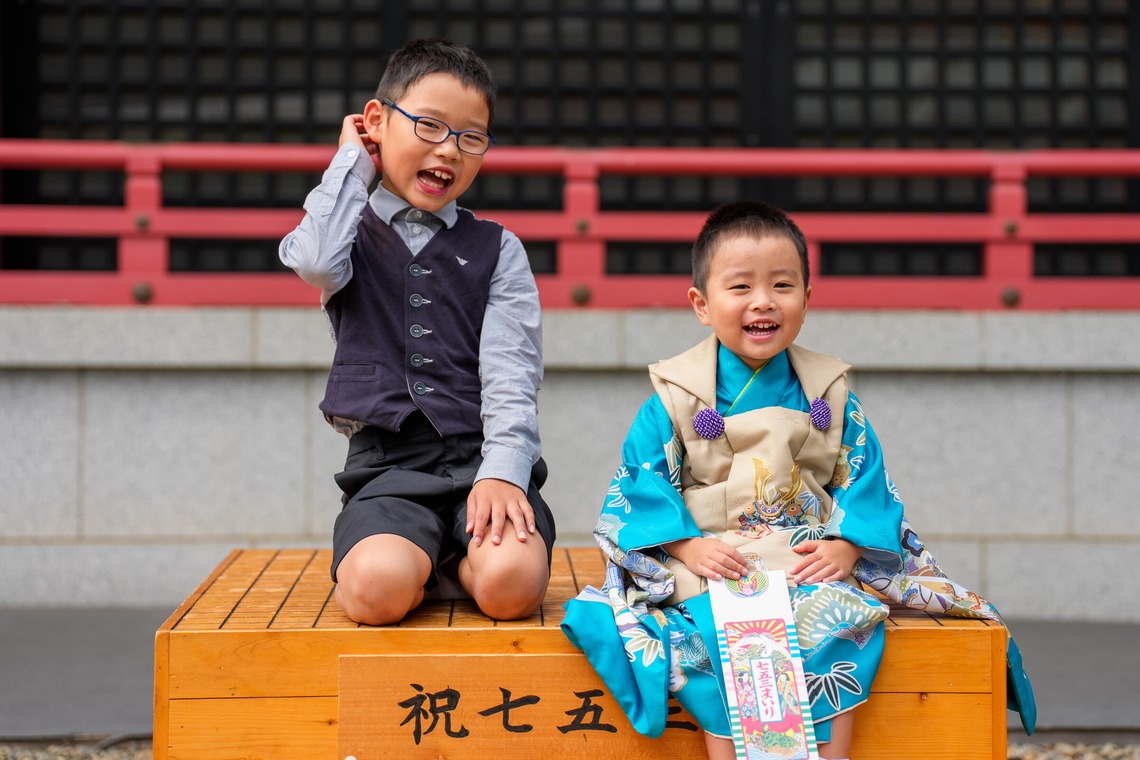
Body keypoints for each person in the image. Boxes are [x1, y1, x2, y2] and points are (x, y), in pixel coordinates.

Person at [561, 201, 1035, 759]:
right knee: (708, 633)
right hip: (713, 558)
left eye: (782, 285)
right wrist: (687, 544)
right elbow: (642, 485)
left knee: (845, 621)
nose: (763, 301)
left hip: (803, 553)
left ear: (807, 300)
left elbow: (865, 480)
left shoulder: (828, 393)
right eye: (740, 287)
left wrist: (849, 545)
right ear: (702, 305)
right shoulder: (674, 397)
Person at [279, 38, 555, 626]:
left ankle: (456, 558)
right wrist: (353, 161)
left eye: (471, 137)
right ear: (377, 121)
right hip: (389, 467)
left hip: (481, 457)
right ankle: (423, 555)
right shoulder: (348, 230)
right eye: (429, 126)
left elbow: (512, 368)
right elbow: (317, 263)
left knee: (512, 587)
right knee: (374, 592)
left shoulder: (497, 247)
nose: (449, 151)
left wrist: (505, 470)